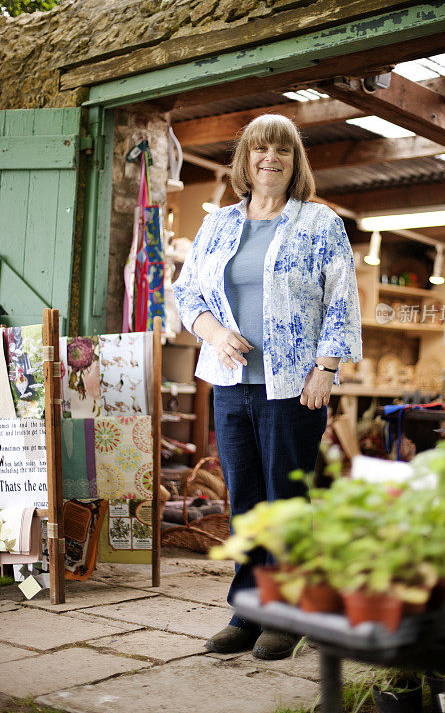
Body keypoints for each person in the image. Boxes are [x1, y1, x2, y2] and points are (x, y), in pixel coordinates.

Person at [173, 114, 361, 659]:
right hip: (231, 385)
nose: (270, 158)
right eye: (260, 149)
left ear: (294, 161)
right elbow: (188, 295)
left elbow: (341, 301)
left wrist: (326, 370)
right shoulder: (219, 224)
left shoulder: (318, 224)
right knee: (246, 503)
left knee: (286, 501)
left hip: (294, 387)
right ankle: (247, 612)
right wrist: (212, 331)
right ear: (246, 161)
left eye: (282, 149)